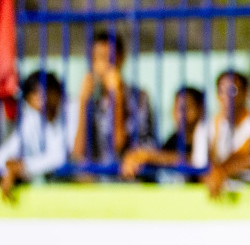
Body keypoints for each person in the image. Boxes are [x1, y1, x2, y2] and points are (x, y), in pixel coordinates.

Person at [72, 29, 156, 170]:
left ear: (121, 58)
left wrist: (117, 98)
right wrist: (83, 103)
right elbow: (78, 152)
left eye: (108, 58)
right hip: (98, 182)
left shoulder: (139, 98)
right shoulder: (92, 100)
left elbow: (118, 144)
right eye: (98, 58)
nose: (104, 65)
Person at [0, 70, 73, 199]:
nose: (40, 97)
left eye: (45, 90)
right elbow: (6, 152)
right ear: (28, 100)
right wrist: (10, 166)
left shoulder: (72, 110)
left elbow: (60, 158)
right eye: (34, 93)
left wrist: (22, 167)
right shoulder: (32, 118)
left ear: (56, 91)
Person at [121, 86, 208, 181]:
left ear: (200, 110)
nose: (180, 114)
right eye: (176, 108)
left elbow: (196, 161)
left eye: (186, 107)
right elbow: (161, 159)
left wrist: (148, 156)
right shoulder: (174, 140)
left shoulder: (207, 136)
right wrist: (137, 159)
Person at [202, 70, 250, 198]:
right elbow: (201, 167)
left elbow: (249, 155)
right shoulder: (209, 127)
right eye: (221, 91)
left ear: (246, 93)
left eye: (232, 90)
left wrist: (222, 170)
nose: (226, 96)